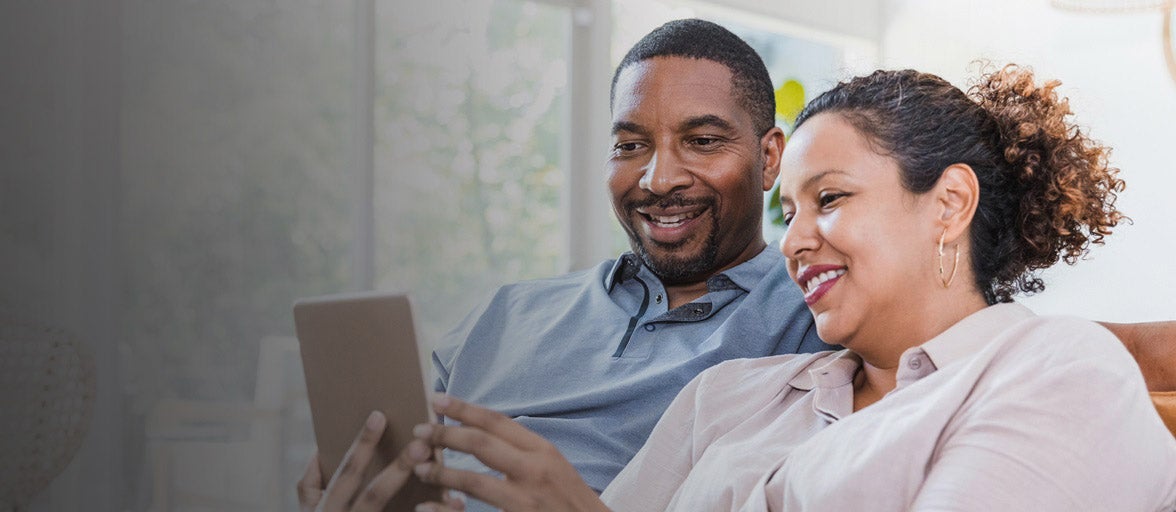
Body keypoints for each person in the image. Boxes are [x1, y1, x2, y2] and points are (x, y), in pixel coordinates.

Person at [307, 64, 1176, 511]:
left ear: (947, 203)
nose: (794, 241)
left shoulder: (1057, 371)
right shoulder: (728, 398)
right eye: (786, 210)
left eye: (829, 199)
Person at [297, 18, 832, 511]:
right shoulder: (509, 311)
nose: (658, 179)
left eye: (702, 142)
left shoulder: (816, 313)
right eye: (630, 145)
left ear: (768, 159)